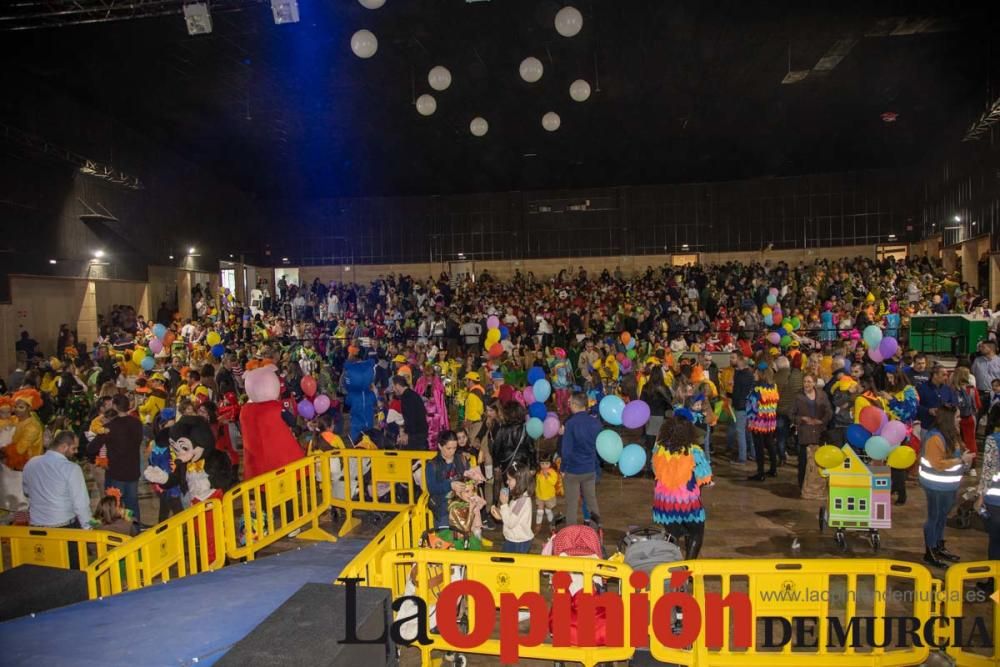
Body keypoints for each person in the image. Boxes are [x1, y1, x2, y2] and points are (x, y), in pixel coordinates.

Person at [919, 406, 974, 568]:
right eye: (957, 417)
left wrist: (966, 458)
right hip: (935, 485)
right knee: (934, 517)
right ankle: (930, 552)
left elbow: (958, 453)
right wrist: (960, 461)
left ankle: (938, 546)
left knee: (942, 517)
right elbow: (937, 464)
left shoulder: (952, 434)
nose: (960, 420)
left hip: (949, 485)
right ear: (948, 419)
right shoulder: (935, 437)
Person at [651, 414, 712, 558]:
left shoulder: (658, 451)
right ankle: (688, 567)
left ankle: (669, 563)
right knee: (696, 531)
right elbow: (704, 477)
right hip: (687, 503)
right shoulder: (694, 451)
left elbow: (656, 472)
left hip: (664, 504)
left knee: (672, 533)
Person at [88, 394, 144, 523]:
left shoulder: (110, 427)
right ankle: (134, 530)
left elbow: (91, 447)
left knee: (115, 505)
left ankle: (118, 531)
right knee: (132, 504)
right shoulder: (137, 423)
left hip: (116, 472)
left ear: (114, 406)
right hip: (133, 470)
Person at [22, 430, 93, 531]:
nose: (76, 452)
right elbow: (81, 504)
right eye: (74, 448)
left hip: (36, 525)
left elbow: (26, 492)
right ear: (63, 447)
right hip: (63, 525)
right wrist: (89, 528)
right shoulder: (71, 468)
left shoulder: (31, 463)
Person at [557, 392, 602, 526]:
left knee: (571, 505)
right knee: (592, 502)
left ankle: (571, 536)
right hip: (589, 469)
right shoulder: (596, 423)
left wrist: (563, 468)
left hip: (573, 470)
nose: (569, 405)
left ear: (575, 405)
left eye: (570, 403)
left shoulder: (570, 424)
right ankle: (596, 533)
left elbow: (566, 451)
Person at [792, 373, 833, 499]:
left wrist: (822, 421)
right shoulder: (798, 397)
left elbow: (829, 411)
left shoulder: (822, 395)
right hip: (805, 432)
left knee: (818, 462)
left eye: (809, 382)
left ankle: (817, 488)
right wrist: (801, 419)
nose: (806, 384)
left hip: (819, 433)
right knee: (803, 462)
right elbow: (791, 414)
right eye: (805, 381)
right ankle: (802, 487)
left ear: (815, 383)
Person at [426, 430, 468, 529]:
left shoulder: (461, 459)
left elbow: (467, 478)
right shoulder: (432, 465)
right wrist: (450, 485)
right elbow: (432, 488)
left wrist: (473, 479)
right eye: (448, 448)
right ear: (440, 446)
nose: (452, 451)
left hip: (461, 506)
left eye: (455, 448)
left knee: (461, 540)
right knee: (444, 538)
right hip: (442, 509)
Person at [746, 362, 779, 481]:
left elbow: (752, 407)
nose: (754, 374)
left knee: (759, 447)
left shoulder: (756, 388)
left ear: (760, 373)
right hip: (769, 421)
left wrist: (749, 417)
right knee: (770, 445)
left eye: (755, 372)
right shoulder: (774, 386)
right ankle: (773, 469)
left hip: (758, 422)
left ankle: (760, 473)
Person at [976, 406, 1000, 570]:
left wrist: (980, 496)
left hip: (995, 500)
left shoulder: (994, 440)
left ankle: (993, 582)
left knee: (996, 542)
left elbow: (988, 471)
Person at [490, 465, 534, 553]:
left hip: (519, 541)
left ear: (519, 482)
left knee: (515, 565)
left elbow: (510, 523)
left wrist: (504, 504)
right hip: (512, 538)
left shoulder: (521, 501)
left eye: (509, 479)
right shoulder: (518, 497)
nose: (507, 482)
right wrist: (501, 514)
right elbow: (511, 516)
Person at [727, 351, 755, 465]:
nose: (731, 360)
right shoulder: (747, 373)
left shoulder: (741, 374)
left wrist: (729, 396)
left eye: (733, 358)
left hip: (741, 406)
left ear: (739, 359)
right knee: (748, 432)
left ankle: (742, 458)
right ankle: (752, 454)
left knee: (740, 432)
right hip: (749, 405)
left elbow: (738, 392)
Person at [916, 364, 957, 431]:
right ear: (935, 375)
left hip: (944, 427)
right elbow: (916, 406)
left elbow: (954, 403)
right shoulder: (921, 388)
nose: (946, 377)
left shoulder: (948, 389)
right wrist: (928, 410)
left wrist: (949, 406)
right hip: (927, 426)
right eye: (943, 375)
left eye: (947, 375)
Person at [393, 375, 428, 451]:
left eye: (393, 387)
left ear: (397, 386)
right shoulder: (413, 394)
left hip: (415, 436)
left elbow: (410, 418)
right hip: (420, 433)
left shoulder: (406, 397)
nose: (393, 390)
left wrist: (407, 435)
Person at [534, 452, 562, 527]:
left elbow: (553, 482)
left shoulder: (553, 472)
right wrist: (536, 493)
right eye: (542, 463)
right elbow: (537, 484)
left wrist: (547, 476)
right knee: (539, 512)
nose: (544, 466)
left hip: (549, 496)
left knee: (548, 510)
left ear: (550, 464)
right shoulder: (539, 473)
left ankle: (551, 524)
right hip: (540, 496)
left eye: (546, 463)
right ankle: (538, 525)